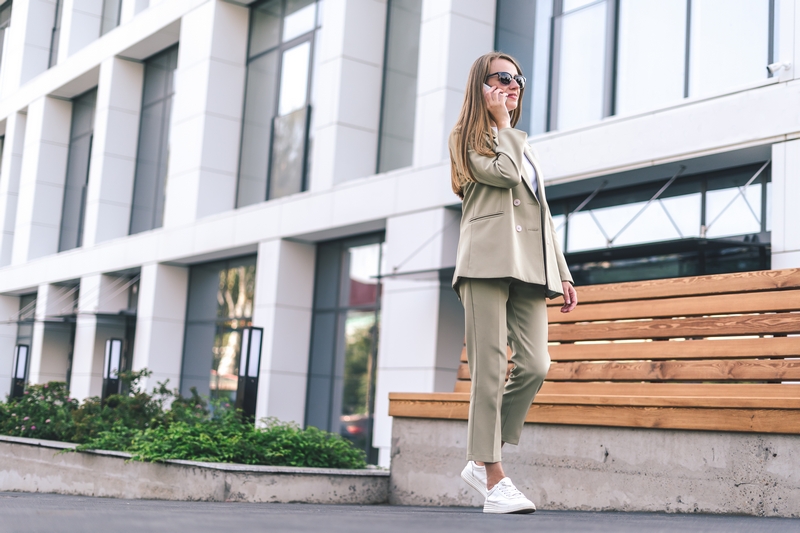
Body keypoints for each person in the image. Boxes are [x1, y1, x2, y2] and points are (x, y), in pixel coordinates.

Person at [449, 51, 578, 514]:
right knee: (488, 371)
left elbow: (543, 213)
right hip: (485, 263)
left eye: (518, 78)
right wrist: (503, 124)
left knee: (537, 364)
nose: (514, 84)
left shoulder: (520, 144)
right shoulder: (468, 138)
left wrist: (561, 271)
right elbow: (502, 176)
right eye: (503, 77)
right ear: (481, 86)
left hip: (530, 268)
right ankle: (494, 476)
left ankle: (480, 457)